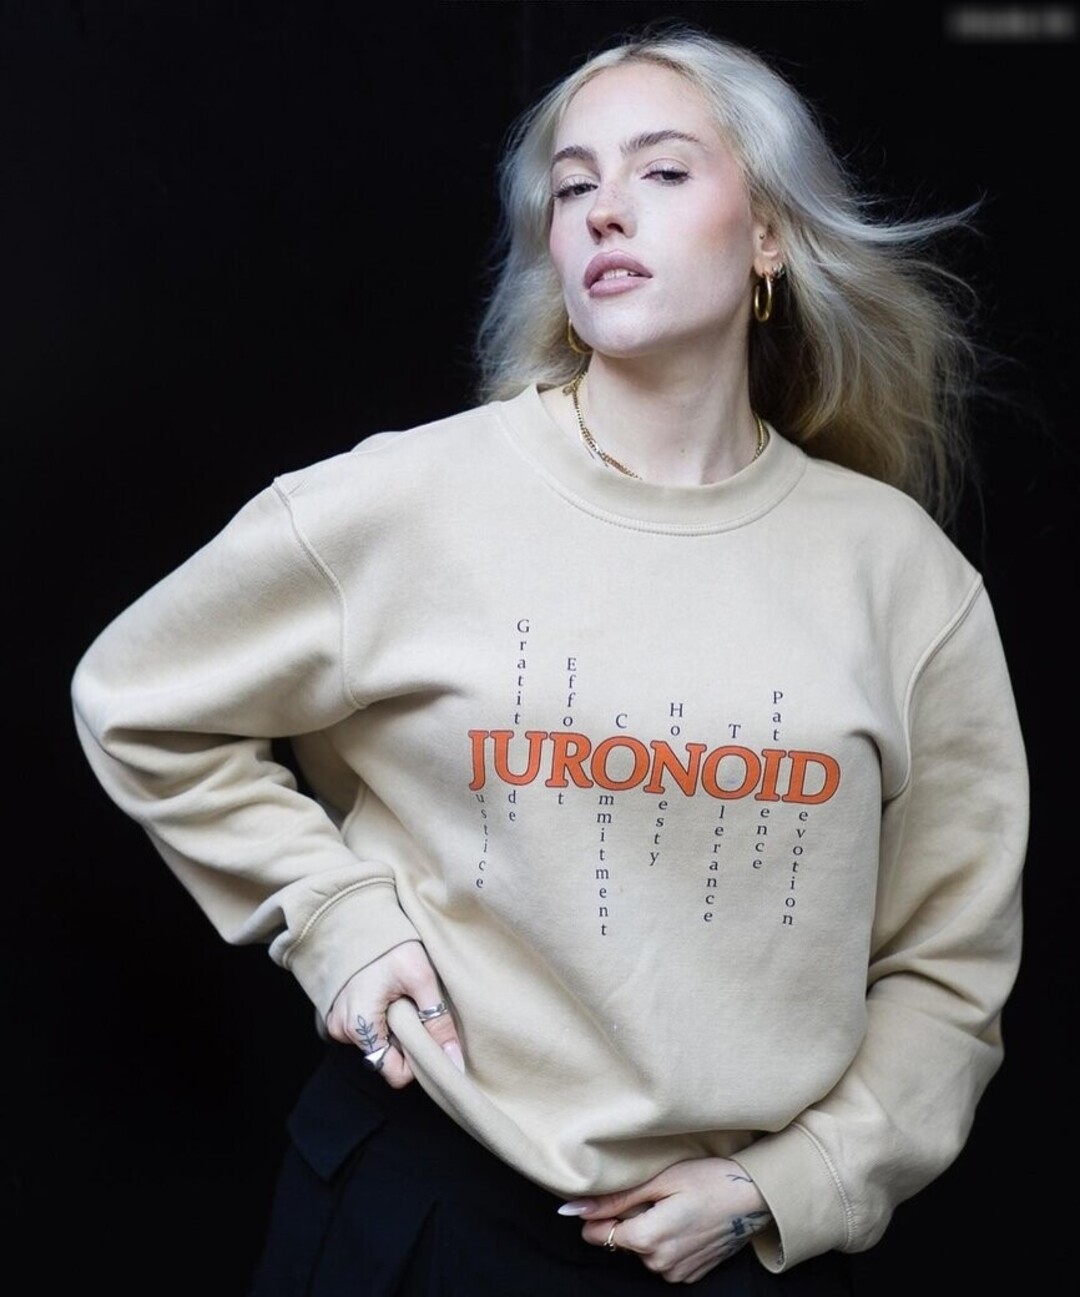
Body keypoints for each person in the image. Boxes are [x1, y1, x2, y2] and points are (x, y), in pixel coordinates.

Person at [70, 23, 1028, 1296]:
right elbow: (137, 698)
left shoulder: (903, 578)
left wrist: (790, 1184)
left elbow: (949, 970)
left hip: (726, 1254)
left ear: (768, 237)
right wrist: (335, 916)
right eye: (574, 188)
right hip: (420, 1212)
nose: (604, 210)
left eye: (662, 171)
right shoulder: (410, 504)